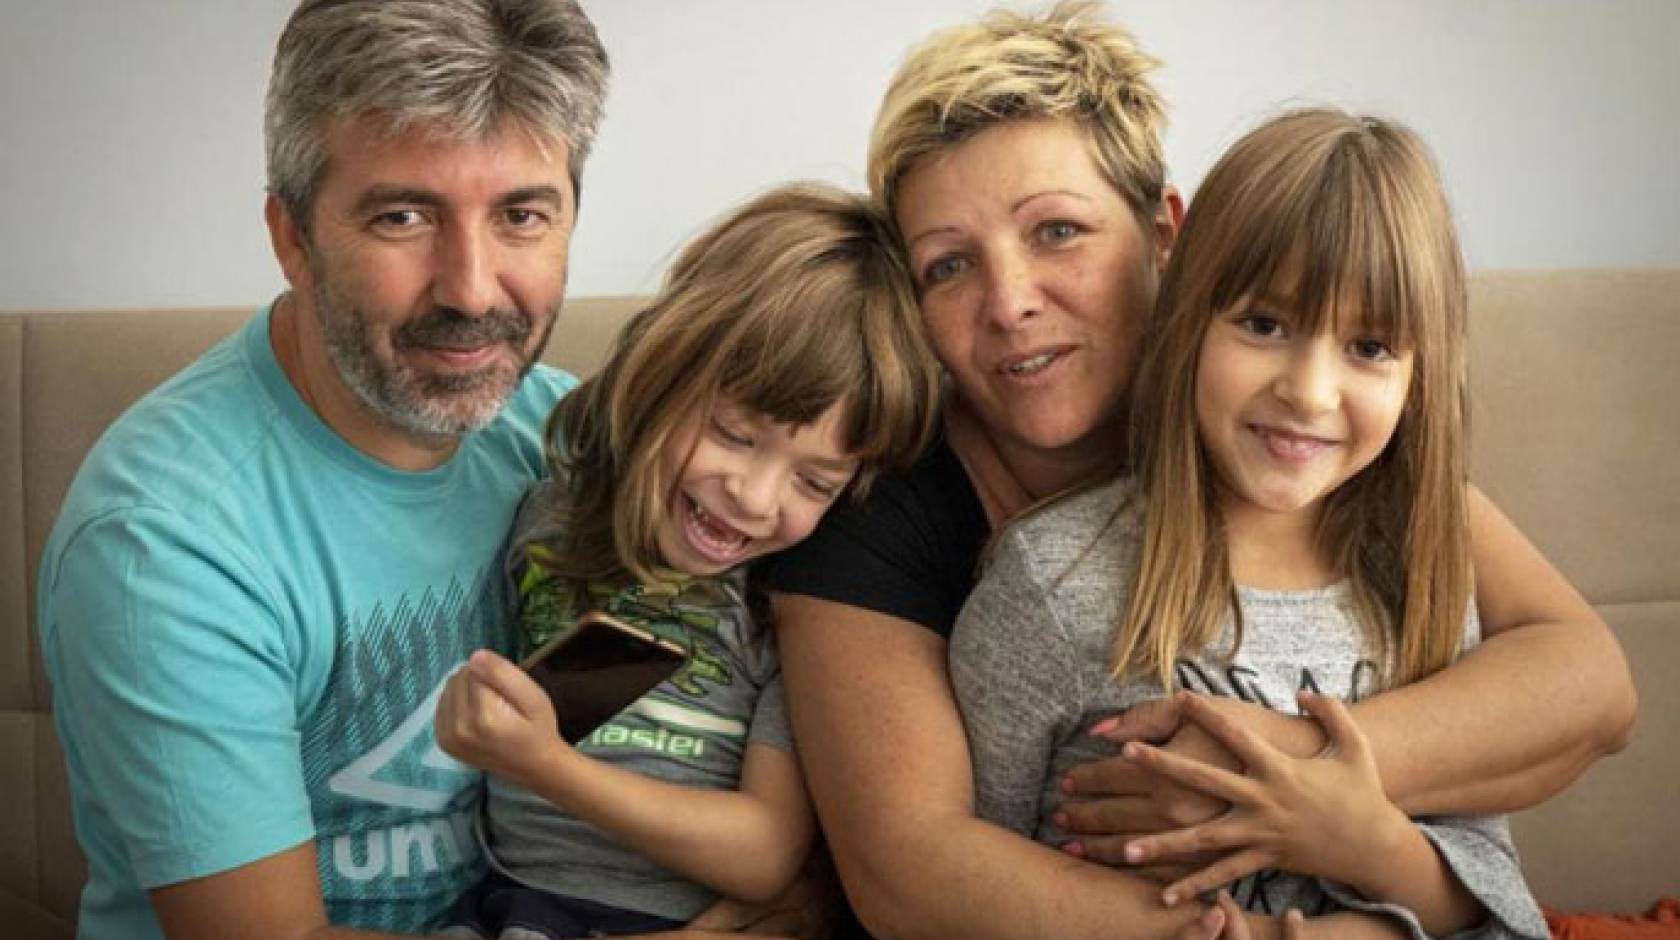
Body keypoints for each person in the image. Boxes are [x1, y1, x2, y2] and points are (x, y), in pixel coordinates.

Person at [759, 3, 1636, 938]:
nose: (1011, 302)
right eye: (949, 266)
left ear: (1165, 235)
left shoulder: (1293, 440)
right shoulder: (880, 508)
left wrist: (1273, 770)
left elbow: (1589, 689)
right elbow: (913, 874)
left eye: (1057, 231)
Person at [35, 1, 621, 937]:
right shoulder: (166, 539)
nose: (472, 289)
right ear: (293, 237)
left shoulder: (570, 437)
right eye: (403, 215)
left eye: (521, 215)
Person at [952, 108, 1547, 939]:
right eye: (1264, 325)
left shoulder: (1425, 574)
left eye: (1370, 347)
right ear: (1189, 314)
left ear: (1422, 372)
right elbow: (975, 887)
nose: (1309, 391)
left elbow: (1480, 892)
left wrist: (1358, 843)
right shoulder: (1054, 585)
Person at [431, 182, 939, 939]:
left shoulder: (784, 603)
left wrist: (546, 766)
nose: (755, 498)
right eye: (734, 434)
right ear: (659, 376)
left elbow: (764, 853)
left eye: (814, 481)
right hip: (509, 906)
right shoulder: (547, 520)